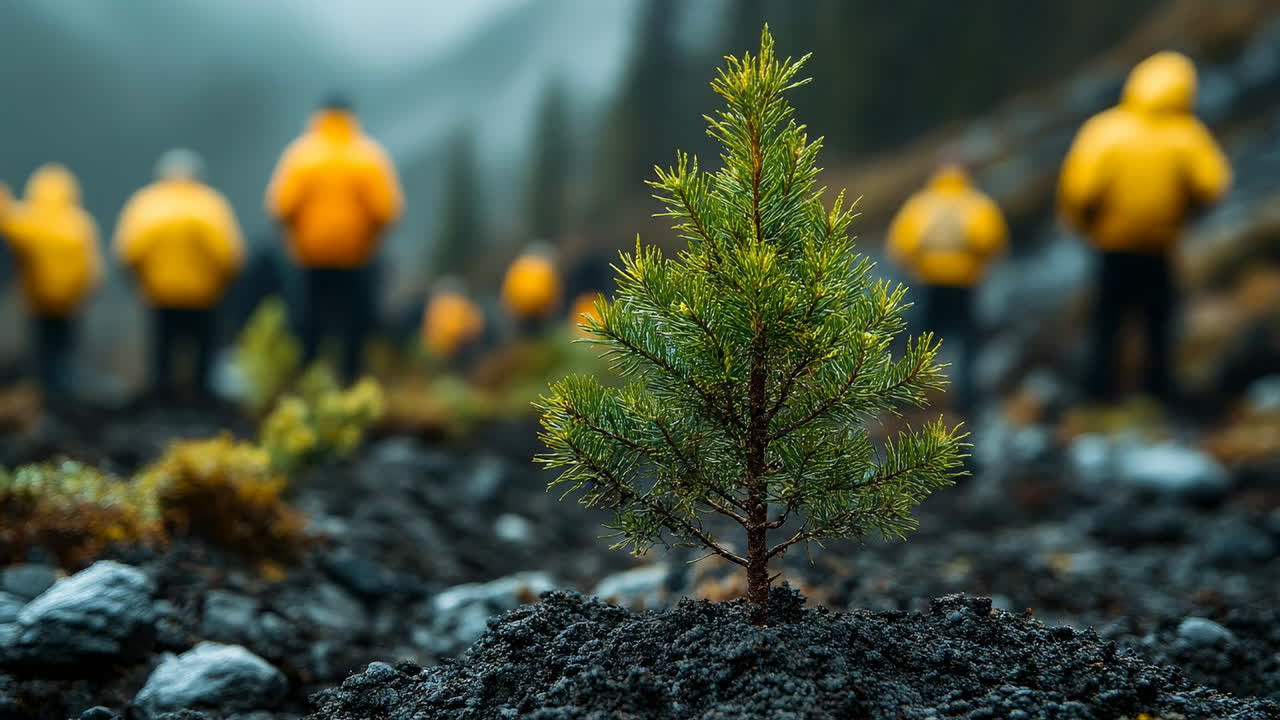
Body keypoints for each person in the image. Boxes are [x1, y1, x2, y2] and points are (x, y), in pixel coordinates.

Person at [1059, 51, 1230, 402]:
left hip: (1112, 245)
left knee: (1107, 323)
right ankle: (1159, 394)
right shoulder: (1187, 135)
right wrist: (1186, 209)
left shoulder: (1106, 129)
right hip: (1159, 246)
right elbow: (1213, 185)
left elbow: (1080, 190)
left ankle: (1097, 395)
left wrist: (1085, 226)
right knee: (1159, 324)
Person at [266, 96, 403, 382]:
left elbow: (280, 206)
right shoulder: (368, 155)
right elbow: (387, 210)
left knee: (310, 321)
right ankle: (349, 382)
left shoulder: (301, 154)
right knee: (354, 323)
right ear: (351, 117)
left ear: (319, 116)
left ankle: (309, 381)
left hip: (310, 257)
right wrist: (369, 238)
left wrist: (296, 236)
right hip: (356, 258)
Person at [116, 149, 245, 399]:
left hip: (160, 292)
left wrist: (140, 280)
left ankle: (162, 393)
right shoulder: (211, 204)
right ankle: (200, 395)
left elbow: (129, 251)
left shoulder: (146, 203)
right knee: (202, 346)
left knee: (163, 346)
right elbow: (229, 254)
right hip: (203, 294)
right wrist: (223, 282)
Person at [887, 163, 1008, 411]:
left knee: (922, 340)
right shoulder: (977, 204)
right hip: (964, 282)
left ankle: (907, 395)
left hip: (928, 281)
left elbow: (899, 245)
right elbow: (991, 241)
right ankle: (966, 400)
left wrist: (915, 267)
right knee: (966, 342)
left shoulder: (920, 204)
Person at [0, 165, 102, 400]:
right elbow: (91, 267)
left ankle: (44, 391)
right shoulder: (80, 223)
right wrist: (86, 291)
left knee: (41, 348)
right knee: (65, 349)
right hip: (70, 302)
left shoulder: (27, 221)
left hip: (38, 300)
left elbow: (5, 223)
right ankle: (65, 393)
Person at [501, 242, 561, 334]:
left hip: (520, 314)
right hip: (540, 313)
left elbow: (508, 294)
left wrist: (510, 310)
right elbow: (554, 294)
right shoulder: (546, 268)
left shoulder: (517, 267)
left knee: (523, 338)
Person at [421, 277, 486, 360]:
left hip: (458, 348)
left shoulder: (461, 306)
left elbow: (475, 327)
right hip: (448, 349)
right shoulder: (438, 307)